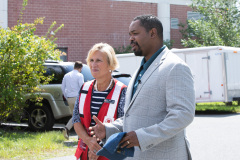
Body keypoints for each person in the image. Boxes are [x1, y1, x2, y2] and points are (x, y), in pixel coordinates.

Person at [90, 14, 195, 160]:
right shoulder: (140, 70)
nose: (130, 39)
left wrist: (142, 137)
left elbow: (182, 115)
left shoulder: (175, 67)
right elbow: (135, 115)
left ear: (153, 33)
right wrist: (108, 129)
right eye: (130, 34)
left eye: (135, 33)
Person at [72, 43, 127, 160]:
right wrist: (89, 142)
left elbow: (124, 125)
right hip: (86, 152)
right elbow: (76, 119)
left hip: (110, 154)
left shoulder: (121, 91)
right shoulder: (84, 88)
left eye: (98, 60)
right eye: (91, 60)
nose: (93, 64)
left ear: (110, 65)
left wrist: (99, 147)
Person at [61, 61, 84, 140]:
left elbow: (63, 87)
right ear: (80, 68)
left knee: (74, 116)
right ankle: (68, 129)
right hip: (77, 98)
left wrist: (66, 96)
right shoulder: (80, 75)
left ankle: (77, 135)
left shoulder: (66, 75)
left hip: (69, 98)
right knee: (79, 116)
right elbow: (82, 87)